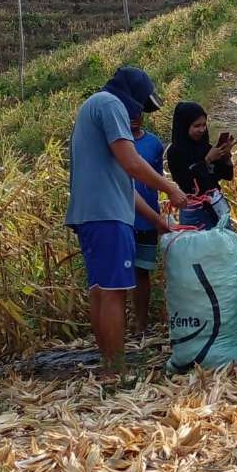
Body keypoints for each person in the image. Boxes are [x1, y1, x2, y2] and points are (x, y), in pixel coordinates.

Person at [65, 66, 190, 377]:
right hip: (107, 215)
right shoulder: (110, 105)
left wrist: (158, 220)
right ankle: (116, 371)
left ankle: (110, 363)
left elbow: (125, 185)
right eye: (140, 108)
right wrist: (170, 187)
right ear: (131, 96)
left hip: (95, 214)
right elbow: (133, 164)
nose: (139, 117)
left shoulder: (94, 106)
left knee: (101, 290)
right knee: (113, 291)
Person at [166, 102, 236, 229]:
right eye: (196, 126)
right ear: (184, 126)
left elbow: (227, 175)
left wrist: (226, 156)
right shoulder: (175, 152)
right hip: (194, 212)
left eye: (204, 125)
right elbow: (186, 182)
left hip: (216, 207)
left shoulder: (206, 147)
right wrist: (208, 160)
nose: (201, 130)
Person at [130, 113, 166, 333]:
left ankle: (141, 325)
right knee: (122, 272)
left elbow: (157, 178)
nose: (134, 117)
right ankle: (122, 325)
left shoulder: (153, 144)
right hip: (123, 218)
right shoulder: (116, 144)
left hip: (148, 217)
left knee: (143, 272)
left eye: (138, 112)